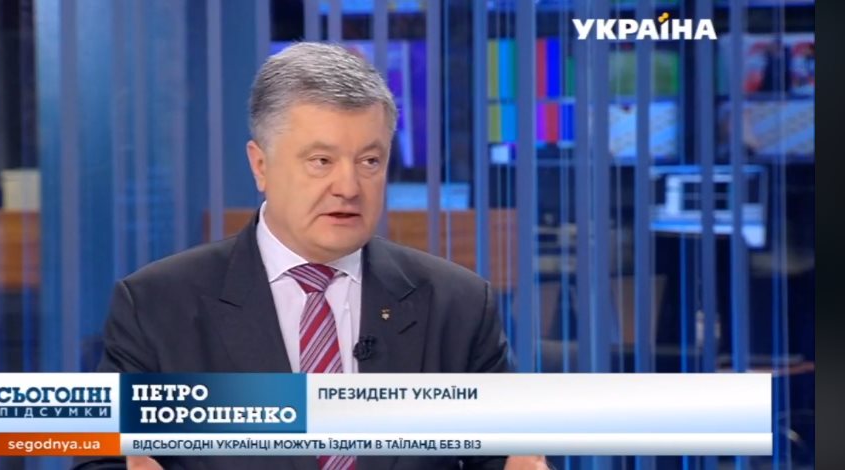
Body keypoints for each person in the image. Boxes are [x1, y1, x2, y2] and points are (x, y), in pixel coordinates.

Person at [75, 42, 548, 470]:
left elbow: (508, 458)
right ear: (260, 165)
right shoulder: (157, 307)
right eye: (321, 161)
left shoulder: (457, 307)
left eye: (369, 161)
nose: (348, 187)